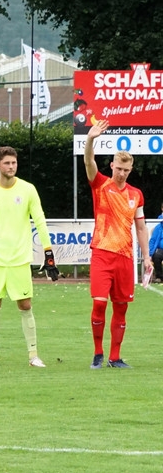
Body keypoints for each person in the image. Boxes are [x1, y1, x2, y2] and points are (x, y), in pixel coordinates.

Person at [0, 145, 58, 369]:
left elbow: (39, 220)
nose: (11, 167)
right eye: (7, 163)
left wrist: (48, 251)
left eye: (14, 163)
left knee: (25, 304)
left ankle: (33, 356)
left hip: (20, 259)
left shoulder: (28, 189)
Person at [83, 119, 152, 368]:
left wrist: (147, 256)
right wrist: (90, 139)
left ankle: (115, 357)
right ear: (112, 165)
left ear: (130, 170)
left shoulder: (136, 195)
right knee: (99, 304)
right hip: (102, 253)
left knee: (121, 308)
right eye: (119, 168)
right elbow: (89, 162)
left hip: (125, 257)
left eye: (126, 170)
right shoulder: (100, 184)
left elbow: (141, 227)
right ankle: (98, 353)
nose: (121, 173)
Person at [149, 202, 163, 283]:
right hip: (161, 249)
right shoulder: (158, 226)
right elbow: (153, 240)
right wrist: (150, 254)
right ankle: (159, 277)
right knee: (157, 256)